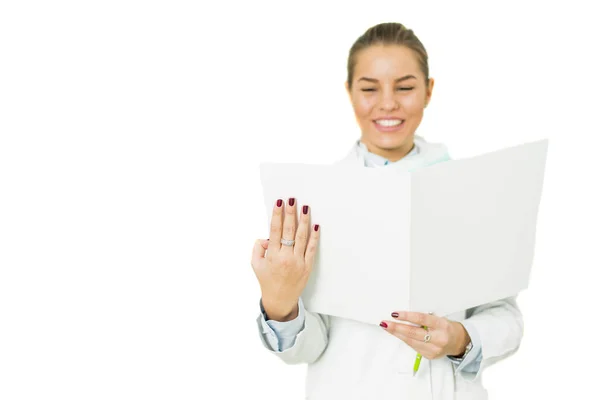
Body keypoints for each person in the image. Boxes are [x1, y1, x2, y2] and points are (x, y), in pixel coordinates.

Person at [250, 22, 523, 400]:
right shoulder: (315, 201)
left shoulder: (473, 189)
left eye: (406, 87)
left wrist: (459, 338)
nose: (388, 103)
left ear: (428, 91)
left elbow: (506, 318)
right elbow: (309, 347)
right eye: (368, 88)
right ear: (349, 93)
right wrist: (280, 305)